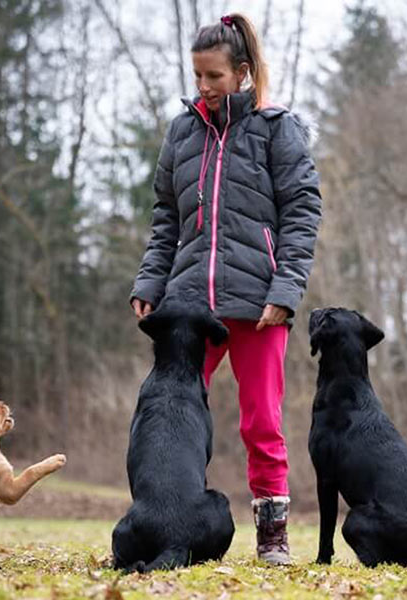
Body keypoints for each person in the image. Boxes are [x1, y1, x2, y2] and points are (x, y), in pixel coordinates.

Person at [129, 12, 322, 566]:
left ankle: (272, 535)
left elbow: (302, 213)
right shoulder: (182, 132)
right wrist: (151, 281)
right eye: (197, 76)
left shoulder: (276, 129)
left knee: (261, 422)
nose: (204, 86)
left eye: (213, 75)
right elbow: (167, 217)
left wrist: (284, 291)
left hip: (260, 304)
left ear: (242, 72)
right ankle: (164, 522)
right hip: (189, 306)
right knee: (168, 418)